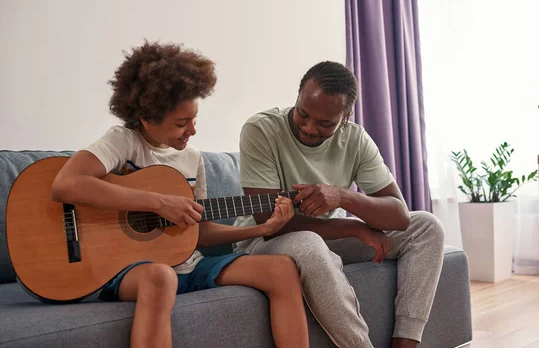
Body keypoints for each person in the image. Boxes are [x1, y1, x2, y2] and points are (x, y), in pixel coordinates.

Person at [51, 41, 309, 348]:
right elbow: (65, 184)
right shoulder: (123, 141)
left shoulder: (192, 159)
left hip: (189, 264)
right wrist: (158, 202)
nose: (192, 131)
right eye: (181, 123)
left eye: (194, 120)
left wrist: (263, 229)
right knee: (161, 278)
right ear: (147, 119)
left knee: (281, 268)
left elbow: (199, 231)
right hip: (127, 270)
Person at [233, 61, 445, 348]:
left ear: (345, 117)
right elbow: (268, 222)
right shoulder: (261, 129)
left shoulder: (355, 140)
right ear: (297, 97)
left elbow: (400, 216)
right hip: (263, 242)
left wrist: (343, 197)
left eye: (325, 124)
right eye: (303, 114)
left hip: (325, 239)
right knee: (308, 243)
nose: (309, 128)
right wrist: (354, 228)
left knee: (427, 227)